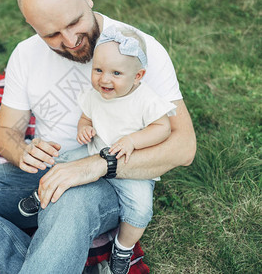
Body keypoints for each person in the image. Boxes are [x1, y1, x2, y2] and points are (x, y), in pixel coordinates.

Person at [0, 0, 196, 273]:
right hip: (51, 169)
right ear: (33, 27)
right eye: (52, 35)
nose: (70, 41)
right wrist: (21, 152)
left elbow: (184, 146)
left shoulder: (137, 51)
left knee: (66, 201)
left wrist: (97, 164)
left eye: (73, 23)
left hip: (113, 179)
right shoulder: (25, 55)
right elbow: (7, 132)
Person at [18, 25, 177, 273]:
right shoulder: (95, 94)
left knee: (141, 207)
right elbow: (87, 117)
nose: (104, 79)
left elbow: (162, 128)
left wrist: (133, 140)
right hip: (94, 152)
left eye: (116, 73)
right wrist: (85, 128)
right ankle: (40, 195)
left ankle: (123, 247)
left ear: (138, 76)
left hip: (131, 166)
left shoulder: (145, 99)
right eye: (98, 70)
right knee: (62, 160)